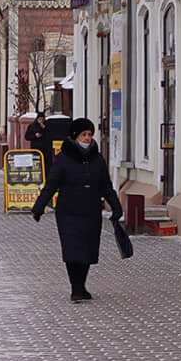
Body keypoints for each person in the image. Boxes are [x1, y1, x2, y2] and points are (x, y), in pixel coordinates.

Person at [31, 118, 123, 303]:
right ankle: (76, 288)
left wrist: (116, 206)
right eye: (84, 135)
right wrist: (39, 207)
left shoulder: (97, 159)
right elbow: (51, 185)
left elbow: (106, 185)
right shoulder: (63, 159)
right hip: (68, 211)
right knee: (72, 249)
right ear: (75, 136)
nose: (87, 138)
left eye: (89, 134)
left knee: (88, 250)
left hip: (91, 211)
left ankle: (82, 285)